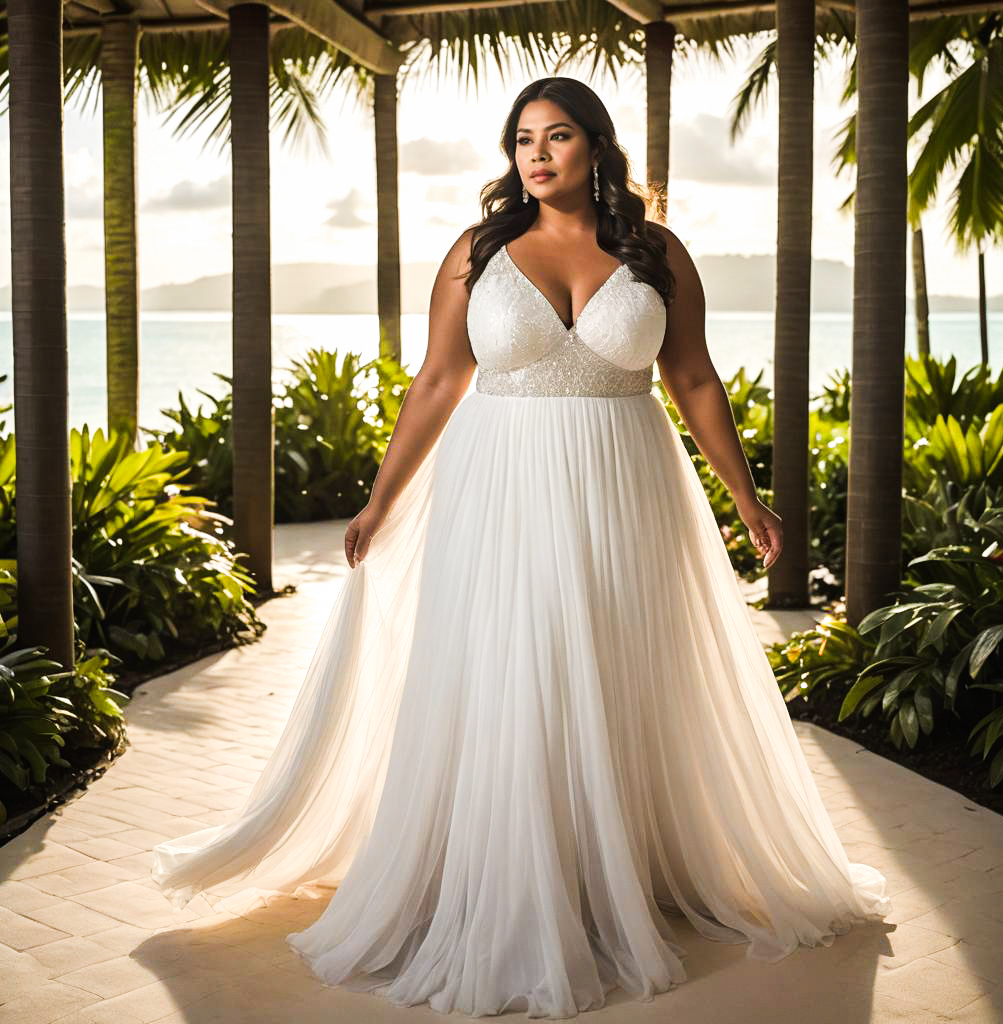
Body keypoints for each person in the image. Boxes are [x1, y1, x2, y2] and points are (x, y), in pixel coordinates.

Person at [152, 76, 890, 1018]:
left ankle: (603, 869)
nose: (538, 155)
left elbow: (694, 376)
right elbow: (436, 381)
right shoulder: (478, 251)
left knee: (618, 667)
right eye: (524, 140)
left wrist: (746, 499)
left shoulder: (657, 252)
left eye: (559, 137)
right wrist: (381, 502)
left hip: (628, 484)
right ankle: (513, 878)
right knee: (515, 667)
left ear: (597, 147)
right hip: (498, 484)